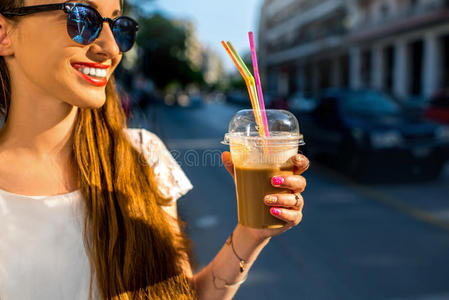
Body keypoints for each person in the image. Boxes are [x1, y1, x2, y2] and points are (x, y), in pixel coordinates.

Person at [0, 0, 309, 299]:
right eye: (82, 18)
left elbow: (180, 295)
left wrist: (250, 233)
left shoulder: (144, 156)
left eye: (119, 27)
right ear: (4, 34)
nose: (111, 48)